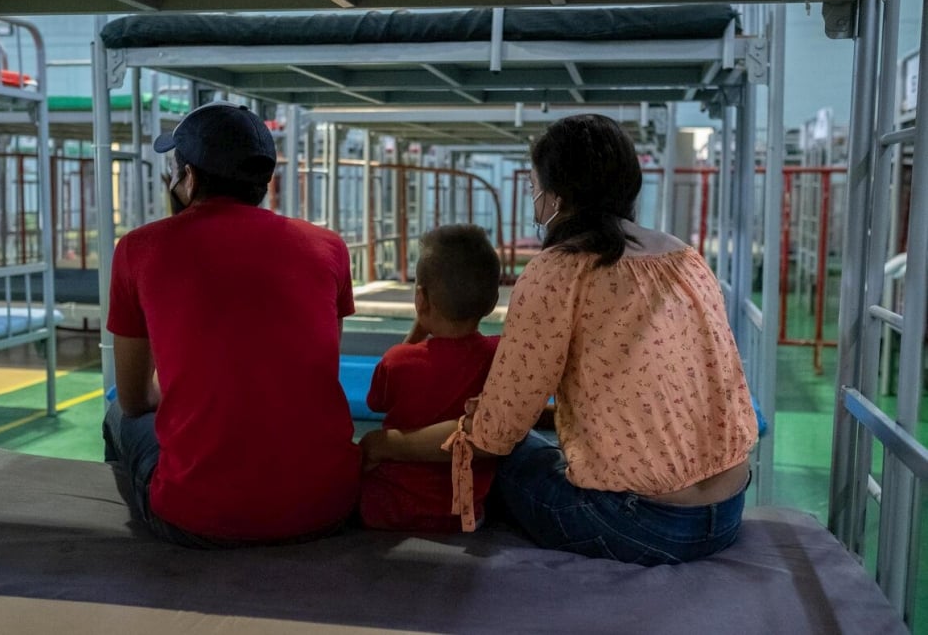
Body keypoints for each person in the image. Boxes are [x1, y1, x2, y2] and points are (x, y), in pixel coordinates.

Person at [360, 113, 759, 565]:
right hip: (728, 510)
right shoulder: (685, 257)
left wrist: (384, 444)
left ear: (556, 197)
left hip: (639, 525)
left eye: (535, 187)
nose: (535, 201)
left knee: (509, 456)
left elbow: (494, 436)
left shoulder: (558, 271)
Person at [102, 101, 360, 547]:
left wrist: (174, 385)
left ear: (190, 177)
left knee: (116, 416)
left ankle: (138, 562)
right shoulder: (329, 247)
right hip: (329, 506)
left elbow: (134, 398)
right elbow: (319, 370)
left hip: (198, 518)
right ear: (262, 181)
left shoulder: (139, 249)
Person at [359, 224, 501, 533]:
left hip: (387, 508)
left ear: (421, 300)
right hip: (466, 514)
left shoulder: (398, 360)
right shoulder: (499, 354)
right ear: (492, 302)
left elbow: (376, 402)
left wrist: (414, 332)